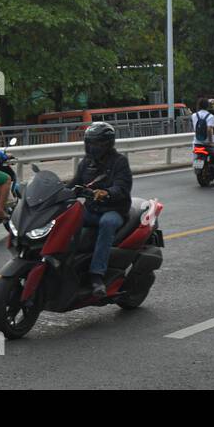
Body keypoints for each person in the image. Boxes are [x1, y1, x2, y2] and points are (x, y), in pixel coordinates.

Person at [66, 121, 132, 298]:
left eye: (96, 143)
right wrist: (58, 191)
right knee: (67, 219)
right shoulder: (86, 163)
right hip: (91, 210)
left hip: (114, 210)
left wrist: (106, 192)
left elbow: (122, 187)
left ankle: (97, 275)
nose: (92, 147)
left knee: (107, 223)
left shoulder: (120, 162)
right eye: (90, 143)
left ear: (107, 144)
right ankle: (65, 263)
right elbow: (75, 183)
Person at [190, 97, 214, 167]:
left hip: (197, 140)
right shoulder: (210, 116)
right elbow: (209, 129)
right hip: (207, 140)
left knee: (194, 152)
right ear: (207, 106)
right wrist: (211, 142)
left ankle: (197, 165)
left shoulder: (193, 115)